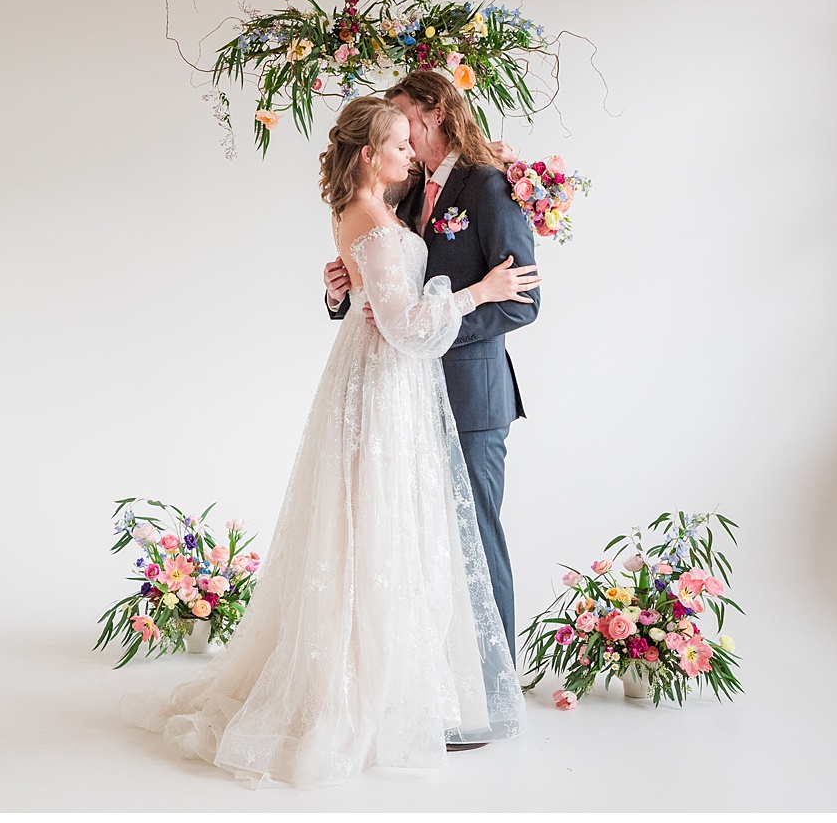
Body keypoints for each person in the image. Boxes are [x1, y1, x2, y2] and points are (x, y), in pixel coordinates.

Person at [122, 97, 539, 788]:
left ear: (435, 116)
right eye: (398, 144)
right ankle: (385, 694)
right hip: (390, 383)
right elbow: (401, 320)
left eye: (413, 138)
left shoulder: (449, 195)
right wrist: (467, 292)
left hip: (438, 388)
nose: (411, 153)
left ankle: (474, 693)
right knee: (379, 530)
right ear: (370, 153)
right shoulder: (383, 215)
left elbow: (493, 300)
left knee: (433, 533)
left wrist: (374, 291)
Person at [323, 71, 539, 663]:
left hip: (470, 396)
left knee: (475, 536)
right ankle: (439, 685)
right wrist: (343, 292)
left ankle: (497, 683)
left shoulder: (489, 186)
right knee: (421, 540)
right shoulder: (404, 190)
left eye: (406, 119)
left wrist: (431, 331)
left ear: (437, 112)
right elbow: (386, 286)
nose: (402, 135)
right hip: (406, 395)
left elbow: (523, 302)